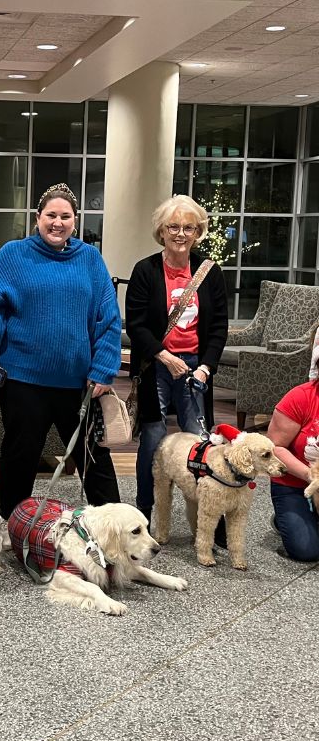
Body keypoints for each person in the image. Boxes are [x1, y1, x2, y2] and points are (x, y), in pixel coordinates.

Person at [0, 183, 121, 520]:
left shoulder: (89, 259)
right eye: (51, 215)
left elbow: (108, 317)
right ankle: (14, 526)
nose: (57, 222)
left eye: (65, 216)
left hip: (78, 383)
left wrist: (104, 368)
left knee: (93, 456)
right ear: (37, 218)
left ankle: (116, 525)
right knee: (20, 456)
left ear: (75, 220)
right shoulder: (12, 255)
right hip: (22, 381)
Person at [125, 195, 228, 523]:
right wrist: (164, 355)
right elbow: (137, 324)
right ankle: (143, 512)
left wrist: (206, 367)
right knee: (153, 439)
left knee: (199, 441)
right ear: (161, 230)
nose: (181, 233)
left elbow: (219, 327)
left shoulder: (210, 272)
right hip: (156, 365)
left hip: (196, 366)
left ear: (198, 232)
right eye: (173, 226)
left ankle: (207, 518)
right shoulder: (145, 270)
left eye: (189, 227)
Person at [267, 368, 319, 562]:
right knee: (307, 550)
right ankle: (287, 518)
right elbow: (275, 447)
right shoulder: (301, 396)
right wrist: (311, 476)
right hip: (295, 484)